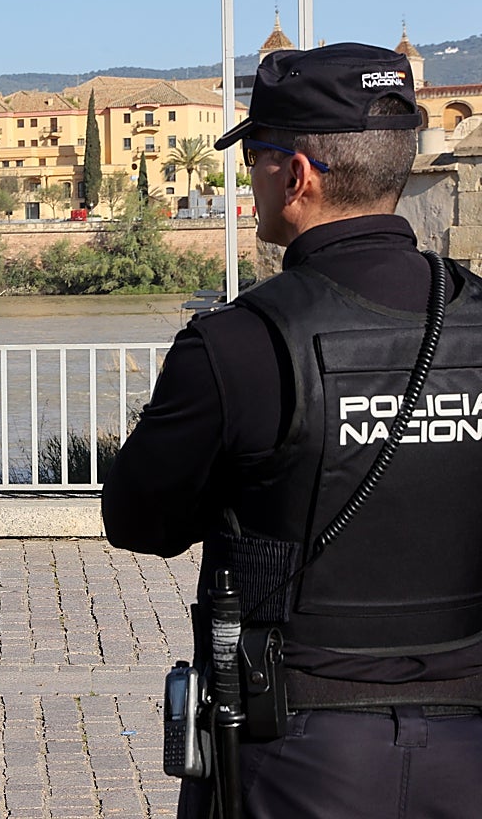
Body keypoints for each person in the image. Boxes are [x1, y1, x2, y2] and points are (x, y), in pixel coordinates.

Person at [102, 43, 482, 818]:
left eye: (255, 162)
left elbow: (139, 521)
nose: (252, 181)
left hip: (296, 757)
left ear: (296, 175)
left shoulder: (236, 344)